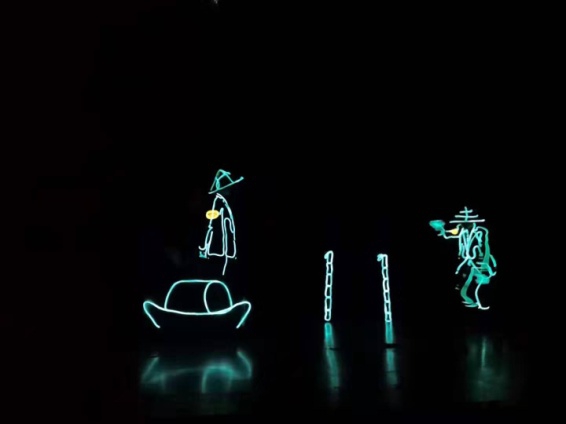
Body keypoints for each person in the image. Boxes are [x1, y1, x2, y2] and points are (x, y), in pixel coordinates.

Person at [429, 207, 497, 310]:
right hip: (468, 263)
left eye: (467, 221)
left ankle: (479, 303)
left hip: (478, 262)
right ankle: (473, 302)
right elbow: (449, 233)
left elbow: (485, 247)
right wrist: (441, 228)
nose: (464, 224)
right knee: (466, 285)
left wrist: (485, 263)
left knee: (477, 284)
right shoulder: (461, 229)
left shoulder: (480, 231)